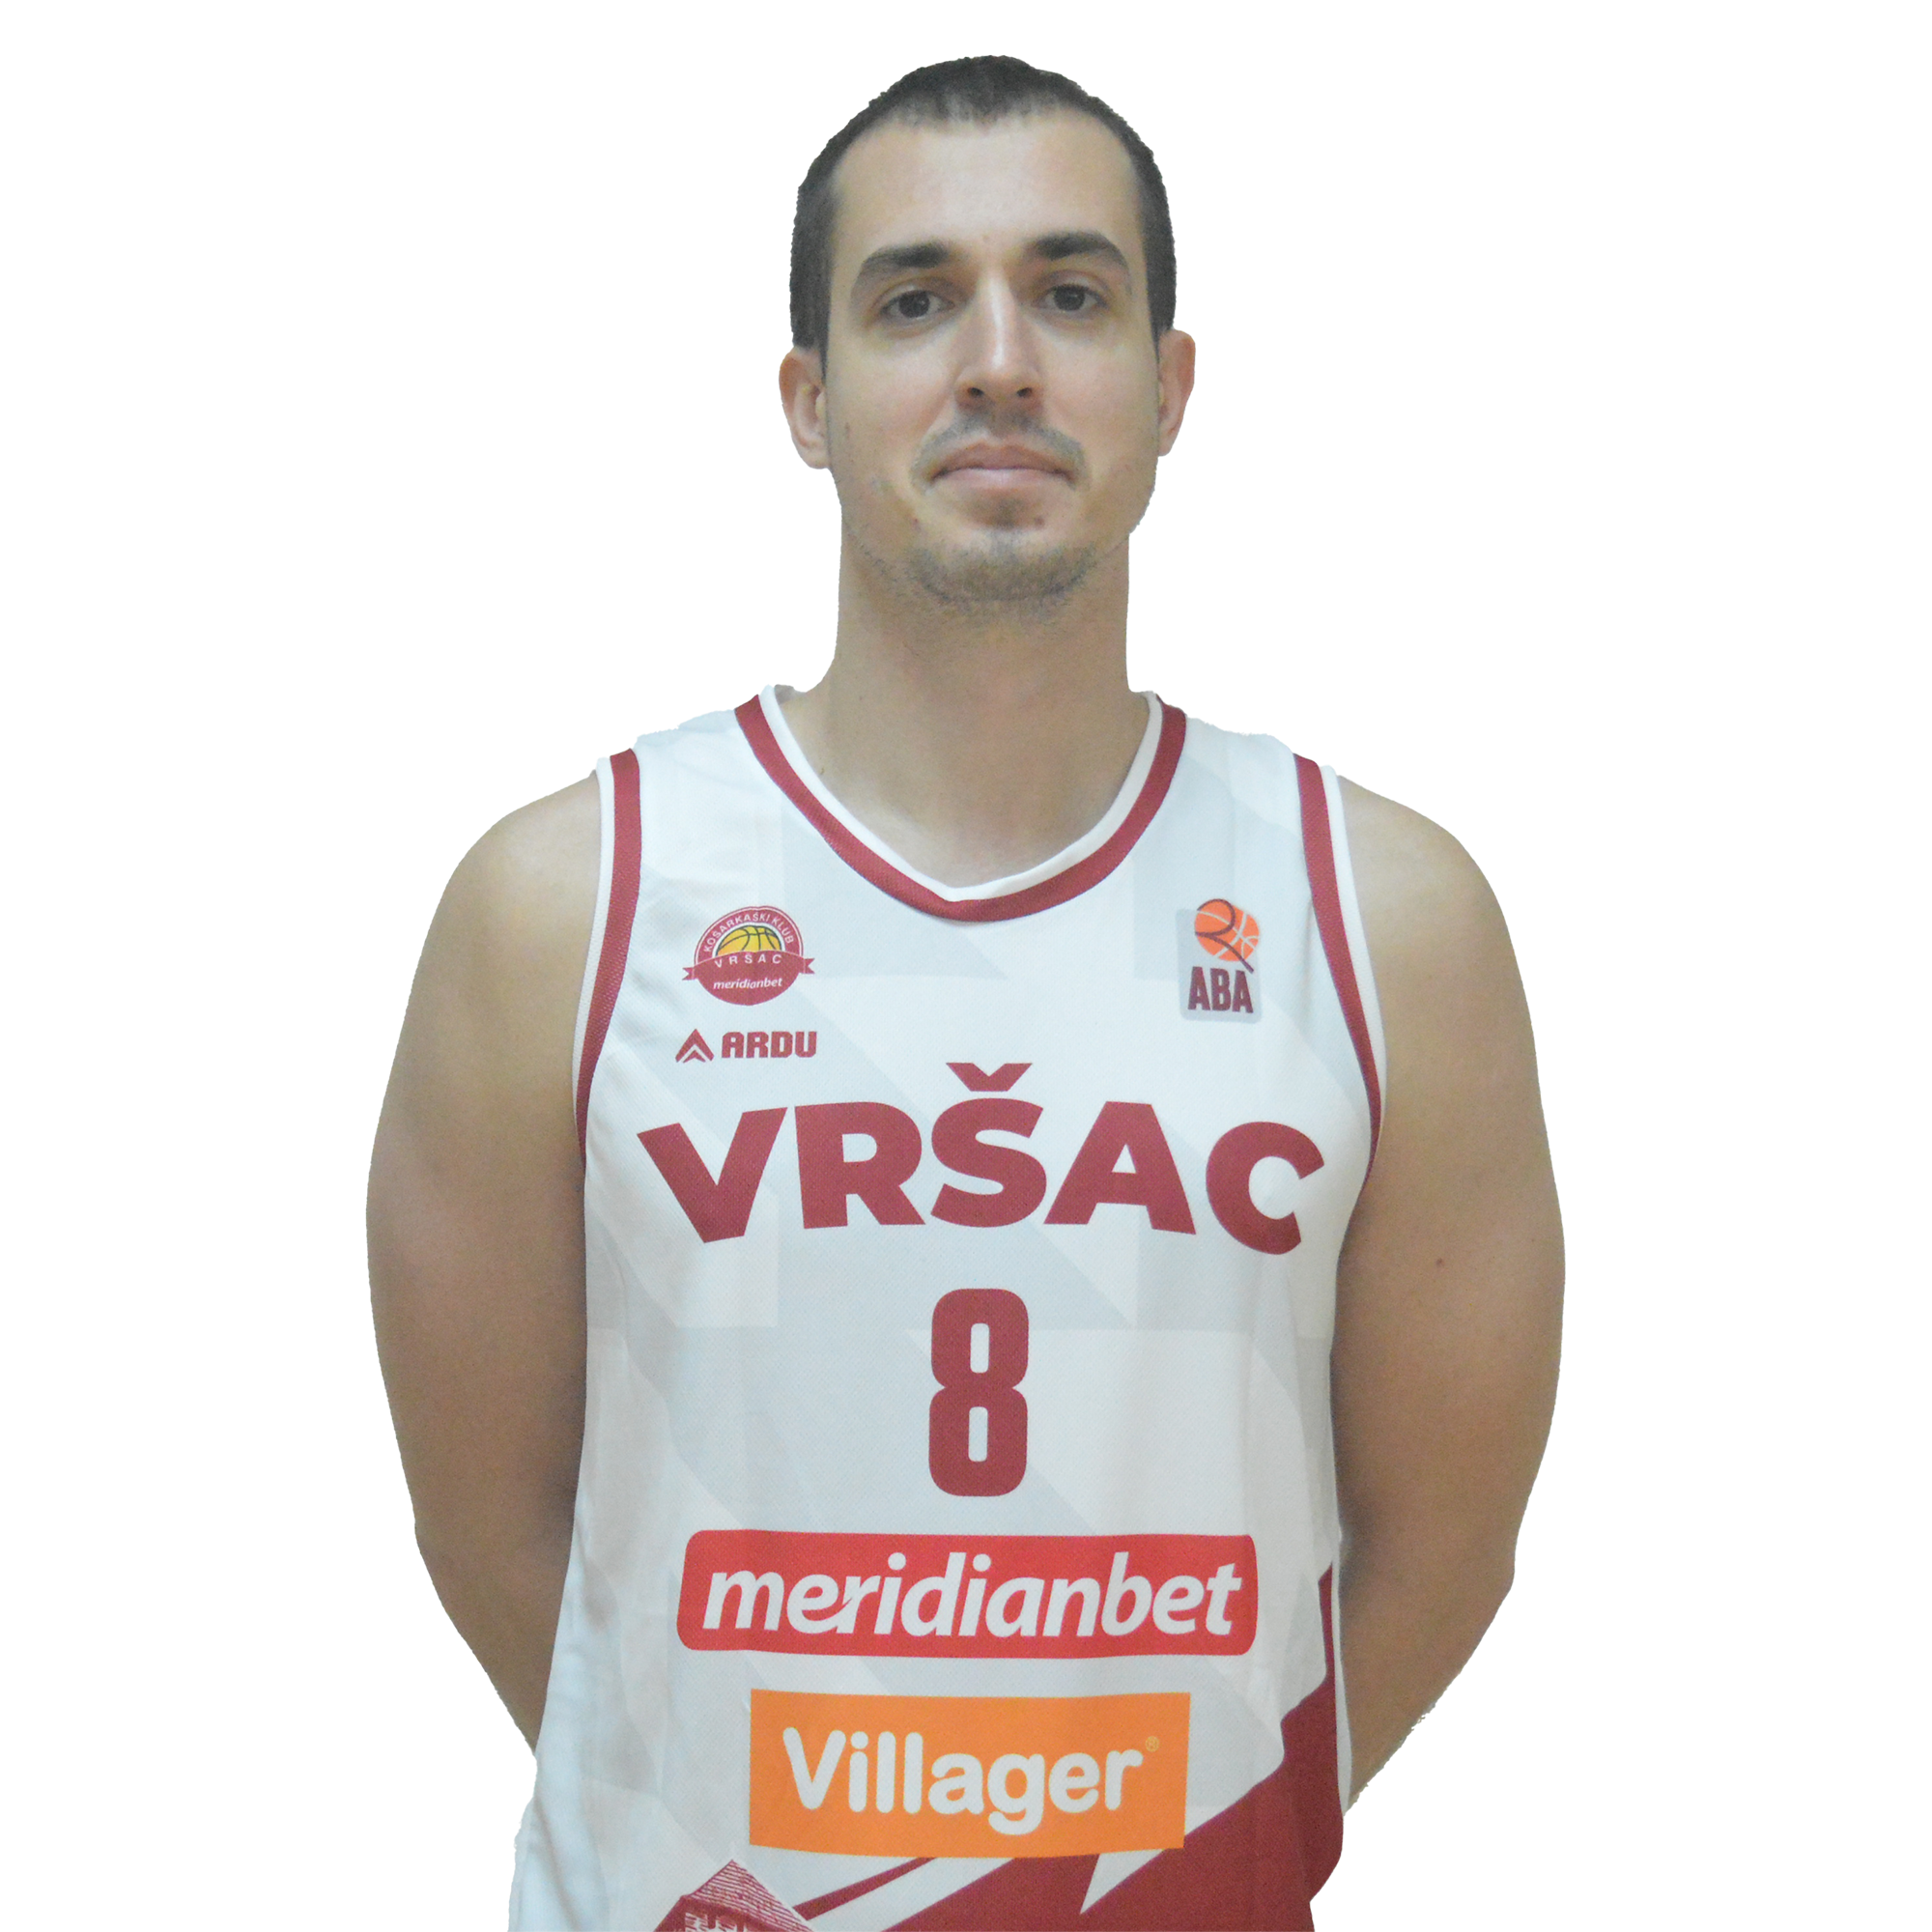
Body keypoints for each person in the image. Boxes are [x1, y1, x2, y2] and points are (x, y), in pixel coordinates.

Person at [368, 55, 1562, 1932]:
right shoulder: (564, 905)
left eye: (1070, 295)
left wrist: (1136, 1864)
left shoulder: (1384, 916)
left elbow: (1444, 1545)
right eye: (915, 300)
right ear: (810, 399)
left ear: (1167, 387)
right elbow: (486, 1522)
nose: (998, 362)